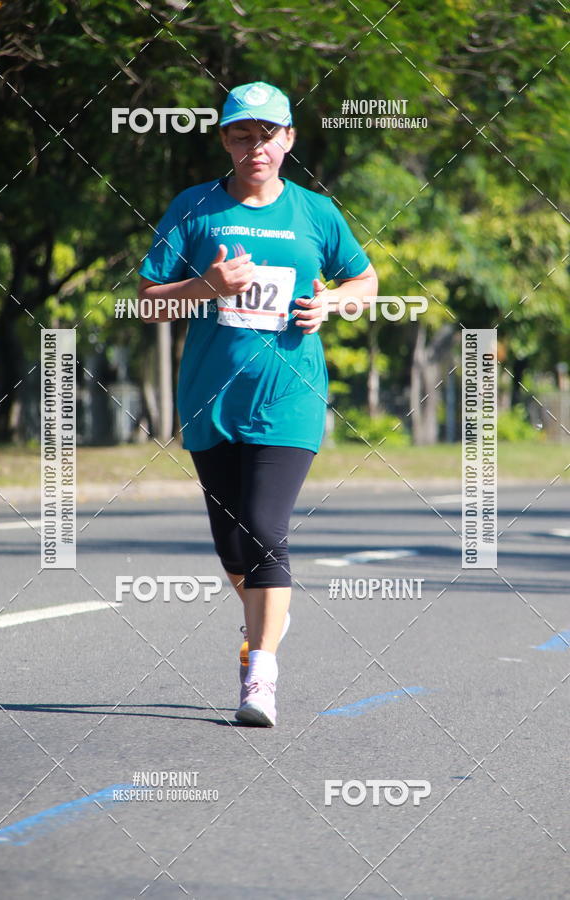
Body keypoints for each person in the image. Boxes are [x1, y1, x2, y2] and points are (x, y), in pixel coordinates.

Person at [138, 81, 378, 726]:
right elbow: (145, 301)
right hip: (210, 401)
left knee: (267, 530)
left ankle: (260, 673)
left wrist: (333, 301)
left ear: (289, 139)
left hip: (290, 397)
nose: (256, 147)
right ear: (225, 139)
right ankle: (267, 613)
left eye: (268, 134)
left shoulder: (315, 213)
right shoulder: (194, 209)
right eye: (242, 134)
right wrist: (205, 285)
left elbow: (366, 280)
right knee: (234, 546)